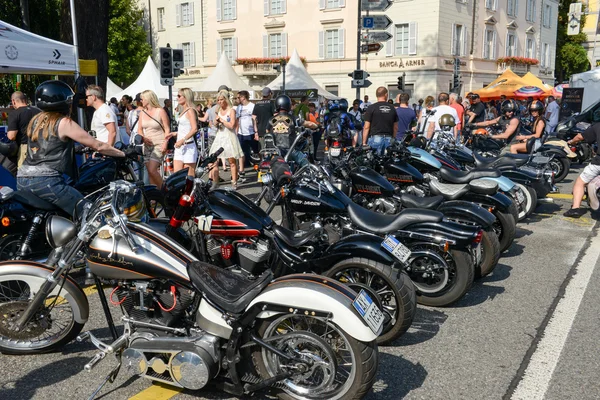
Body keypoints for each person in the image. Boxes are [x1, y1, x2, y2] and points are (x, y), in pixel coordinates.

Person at [17, 80, 124, 216]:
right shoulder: (63, 122)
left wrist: (75, 148)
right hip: (47, 182)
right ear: (64, 101)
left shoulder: (35, 121)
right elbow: (98, 145)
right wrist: (122, 154)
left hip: (22, 179)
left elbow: (48, 144)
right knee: (92, 215)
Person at [564, 119, 600, 218]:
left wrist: (572, 141)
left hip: (598, 163)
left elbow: (580, 136)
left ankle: (575, 209)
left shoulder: (597, 126)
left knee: (580, 182)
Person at [209, 89, 243, 190]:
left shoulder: (231, 110)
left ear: (226, 99)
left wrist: (222, 121)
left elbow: (232, 125)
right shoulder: (218, 110)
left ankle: (234, 182)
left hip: (229, 136)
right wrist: (216, 122)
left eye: (221, 100)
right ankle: (215, 182)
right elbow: (215, 124)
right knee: (214, 159)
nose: (219, 102)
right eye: (218, 100)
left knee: (232, 160)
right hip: (220, 135)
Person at [138, 90, 172, 187]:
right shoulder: (142, 112)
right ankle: (155, 197)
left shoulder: (160, 111)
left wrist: (165, 142)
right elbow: (139, 129)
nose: (141, 101)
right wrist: (143, 138)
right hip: (147, 144)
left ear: (148, 99)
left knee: (152, 170)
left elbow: (167, 128)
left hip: (159, 143)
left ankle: (165, 190)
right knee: (150, 172)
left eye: (142, 98)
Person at [7, 91, 41, 168]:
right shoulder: (39, 111)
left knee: (25, 175)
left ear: (13, 101)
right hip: (41, 146)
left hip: (25, 148)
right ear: (25, 100)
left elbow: (11, 136)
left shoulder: (14, 114)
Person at [362, 86, 398, 155]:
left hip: (375, 138)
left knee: (374, 163)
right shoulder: (392, 108)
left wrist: (364, 143)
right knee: (387, 162)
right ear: (386, 95)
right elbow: (395, 127)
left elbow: (366, 127)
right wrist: (393, 139)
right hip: (388, 139)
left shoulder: (371, 108)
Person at [173, 88, 199, 177]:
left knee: (189, 176)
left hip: (188, 146)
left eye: (179, 96)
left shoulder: (190, 110)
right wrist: (176, 133)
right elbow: (186, 128)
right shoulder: (183, 111)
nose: (177, 98)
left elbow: (194, 128)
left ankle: (191, 191)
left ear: (186, 97)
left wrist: (182, 140)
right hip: (179, 146)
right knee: (177, 175)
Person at [235, 90, 256, 183]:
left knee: (257, 150)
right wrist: (236, 132)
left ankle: (262, 167)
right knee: (241, 153)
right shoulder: (238, 107)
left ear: (243, 97)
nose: (237, 99)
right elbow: (237, 120)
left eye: (238, 97)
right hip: (241, 133)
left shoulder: (252, 106)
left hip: (251, 132)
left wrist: (256, 131)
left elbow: (255, 119)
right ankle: (241, 172)